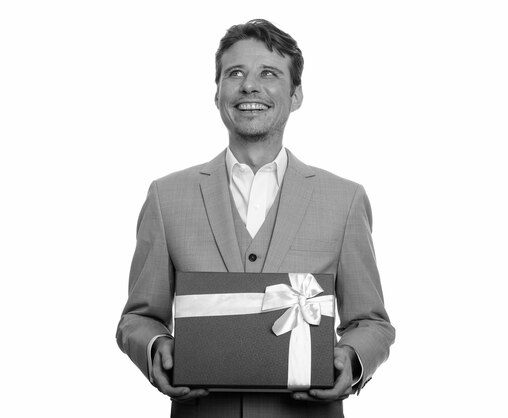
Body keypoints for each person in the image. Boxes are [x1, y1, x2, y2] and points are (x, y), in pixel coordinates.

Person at [116, 18, 395, 418]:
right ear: (216, 94)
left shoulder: (345, 199)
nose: (250, 85)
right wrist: (155, 346)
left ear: (296, 95)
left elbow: (373, 322)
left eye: (269, 73)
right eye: (235, 73)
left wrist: (351, 359)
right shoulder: (166, 196)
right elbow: (138, 317)